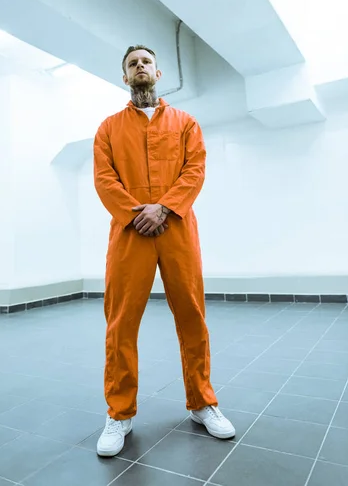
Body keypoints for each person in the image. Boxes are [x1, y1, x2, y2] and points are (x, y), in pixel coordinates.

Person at [93, 45, 235, 457]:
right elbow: (105, 179)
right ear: (125, 77)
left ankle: (203, 403)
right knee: (120, 323)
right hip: (129, 230)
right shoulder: (108, 128)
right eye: (132, 64)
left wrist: (165, 208)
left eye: (146, 62)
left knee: (192, 316)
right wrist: (135, 213)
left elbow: (195, 170)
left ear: (158, 73)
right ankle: (119, 413)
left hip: (176, 228)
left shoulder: (186, 123)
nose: (140, 68)